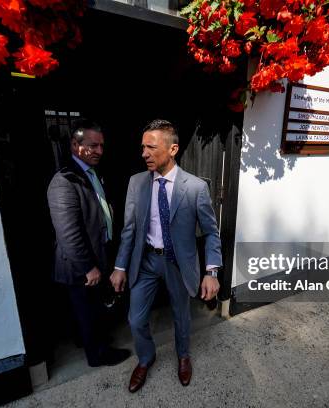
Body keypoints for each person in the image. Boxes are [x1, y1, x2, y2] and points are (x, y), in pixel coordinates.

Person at [110, 119, 222, 392]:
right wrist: (120, 266)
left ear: (173, 149)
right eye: (142, 147)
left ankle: (183, 355)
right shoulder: (136, 183)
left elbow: (211, 232)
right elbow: (129, 230)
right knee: (135, 319)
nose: (144, 153)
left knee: (181, 316)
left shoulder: (195, 187)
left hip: (177, 263)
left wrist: (211, 272)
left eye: (151, 147)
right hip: (145, 261)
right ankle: (146, 358)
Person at [47, 118, 130, 367]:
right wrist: (88, 267)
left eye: (101, 146)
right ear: (75, 144)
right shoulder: (64, 181)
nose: (99, 151)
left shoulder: (91, 173)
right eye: (93, 146)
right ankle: (98, 355)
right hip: (79, 265)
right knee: (88, 312)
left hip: (97, 256)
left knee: (90, 310)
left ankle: (90, 341)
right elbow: (68, 232)